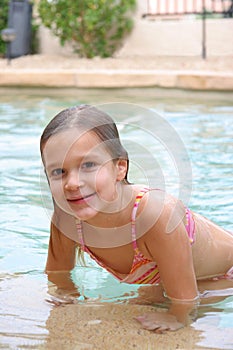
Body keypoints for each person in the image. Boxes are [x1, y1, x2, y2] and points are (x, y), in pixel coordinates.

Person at [40, 104, 233, 333]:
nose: (72, 183)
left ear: (120, 168)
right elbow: (58, 275)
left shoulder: (154, 217)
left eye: (89, 165)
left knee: (165, 301)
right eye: (58, 172)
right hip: (176, 276)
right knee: (148, 296)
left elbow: (185, 300)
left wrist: (178, 316)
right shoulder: (66, 219)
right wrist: (65, 300)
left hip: (226, 273)